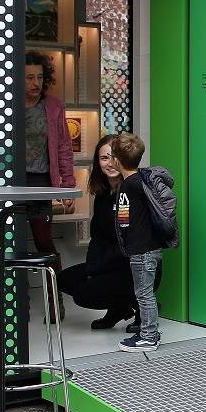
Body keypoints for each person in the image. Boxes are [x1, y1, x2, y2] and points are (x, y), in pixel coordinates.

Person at [56, 135, 137, 330]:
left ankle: (141, 307)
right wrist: (92, 267)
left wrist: (97, 269)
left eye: (114, 157)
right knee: (62, 279)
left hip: (134, 267)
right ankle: (118, 309)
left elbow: (128, 244)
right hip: (109, 263)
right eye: (104, 158)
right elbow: (98, 238)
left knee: (84, 294)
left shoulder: (132, 191)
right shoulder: (102, 195)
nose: (110, 163)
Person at [20, 51, 76, 317]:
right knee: (13, 244)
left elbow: (64, 146)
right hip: (15, 185)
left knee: (44, 242)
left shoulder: (53, 106)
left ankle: (56, 301)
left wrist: (68, 185)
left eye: (40, 77)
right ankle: (18, 305)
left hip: (42, 183)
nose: (35, 83)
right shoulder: (8, 107)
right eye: (29, 77)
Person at [109, 133, 164, 352]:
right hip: (151, 247)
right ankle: (150, 332)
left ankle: (149, 336)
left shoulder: (127, 186)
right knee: (146, 292)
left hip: (141, 250)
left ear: (116, 160)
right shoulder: (143, 181)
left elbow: (123, 219)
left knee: (144, 294)